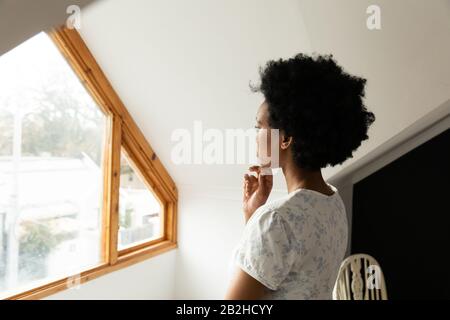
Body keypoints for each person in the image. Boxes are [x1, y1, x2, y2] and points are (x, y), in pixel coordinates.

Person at [225, 53, 376, 299]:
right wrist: (252, 216)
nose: (255, 135)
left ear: (285, 139)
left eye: (259, 127)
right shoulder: (333, 202)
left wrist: (259, 220)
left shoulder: (276, 220)